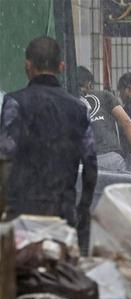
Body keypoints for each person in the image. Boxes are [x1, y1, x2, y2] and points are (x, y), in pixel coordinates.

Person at [0, 37, 97, 249]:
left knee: (21, 275)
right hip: (62, 213)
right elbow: (90, 162)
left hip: (22, 213)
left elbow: (5, 155)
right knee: (61, 274)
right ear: (61, 67)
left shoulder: (15, 103)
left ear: (28, 66)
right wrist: (83, 207)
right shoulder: (78, 109)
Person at [77, 66, 131, 171]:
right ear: (89, 85)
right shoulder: (104, 95)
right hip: (111, 159)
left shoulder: (66, 101)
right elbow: (126, 122)